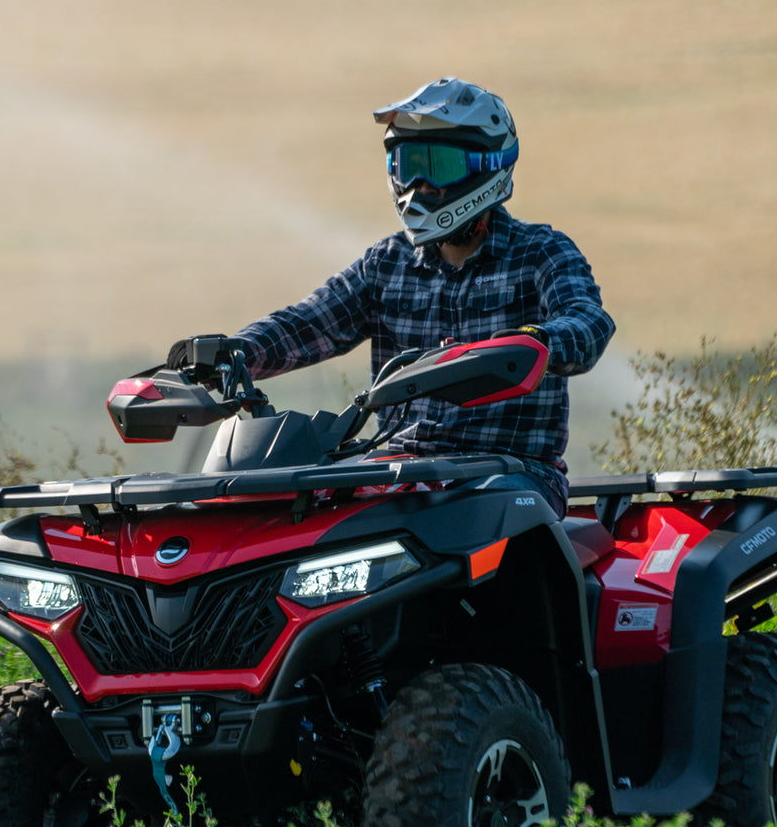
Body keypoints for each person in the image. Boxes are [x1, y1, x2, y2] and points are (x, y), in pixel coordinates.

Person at [179, 77, 615, 518]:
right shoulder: (387, 264)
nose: (420, 185)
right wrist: (232, 352)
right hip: (396, 472)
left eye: (438, 166)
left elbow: (588, 321)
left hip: (513, 473)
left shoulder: (540, 251)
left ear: (488, 166)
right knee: (297, 523)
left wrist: (533, 342)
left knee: (478, 514)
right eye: (407, 166)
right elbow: (306, 324)